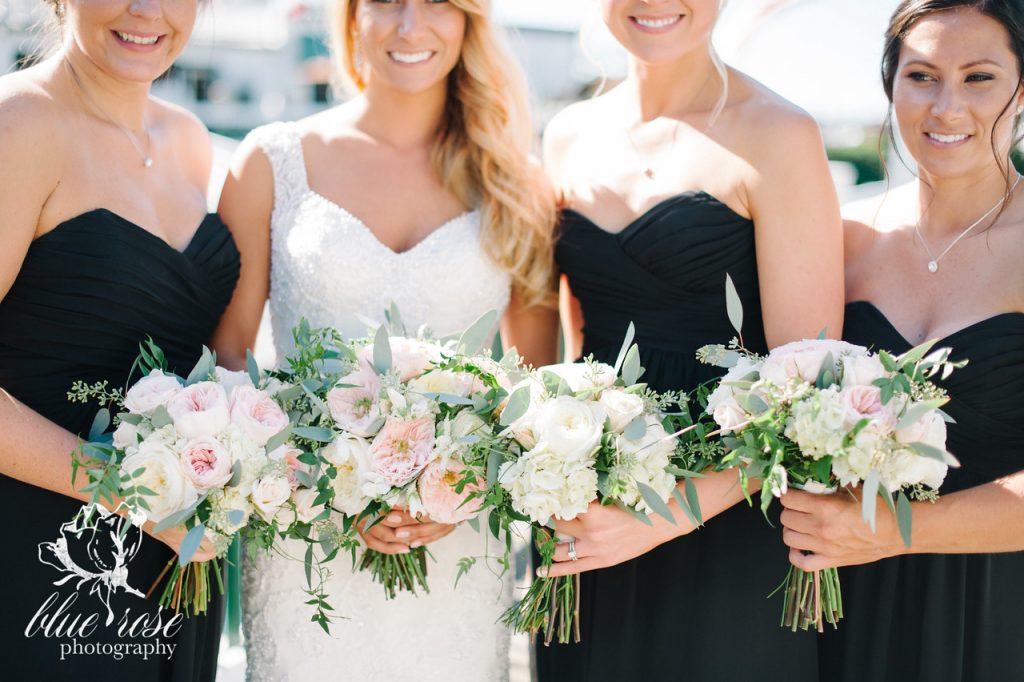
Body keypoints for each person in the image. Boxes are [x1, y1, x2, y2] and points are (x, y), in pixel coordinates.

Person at [211, 0, 557, 679]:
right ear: (349, 16)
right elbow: (226, 367)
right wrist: (324, 486)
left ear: (467, 23)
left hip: (458, 554)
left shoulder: (514, 183)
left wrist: (462, 492)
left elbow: (534, 389)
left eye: (436, 4)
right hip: (303, 552)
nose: (410, 25)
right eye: (387, 1)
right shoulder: (272, 163)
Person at [536, 0, 844, 679]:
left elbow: (810, 385)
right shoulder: (566, 134)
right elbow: (566, 351)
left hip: (727, 518)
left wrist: (664, 516)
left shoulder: (778, 133)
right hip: (590, 519)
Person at [779, 2, 1024, 680]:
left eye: (980, 78)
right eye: (921, 75)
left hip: (995, 611)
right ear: (890, 87)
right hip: (836, 605)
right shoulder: (840, 239)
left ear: (1022, 89)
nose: (947, 107)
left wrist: (894, 532)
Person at [0, 0, 237, 679]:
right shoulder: (19, 123)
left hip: (170, 562)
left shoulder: (191, 140)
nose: (147, 11)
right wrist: (131, 496)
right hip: (37, 552)